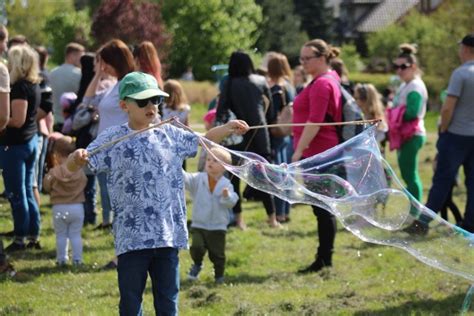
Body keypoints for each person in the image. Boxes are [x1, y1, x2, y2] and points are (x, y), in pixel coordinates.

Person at [66, 71, 248, 315]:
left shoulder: (169, 133)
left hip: (167, 234)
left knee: (167, 300)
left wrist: (226, 128)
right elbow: (81, 162)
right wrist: (75, 160)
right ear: (124, 106)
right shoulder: (112, 137)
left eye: (155, 100)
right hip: (132, 237)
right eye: (143, 102)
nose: (151, 106)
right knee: (130, 303)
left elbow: (203, 140)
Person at [411, 34, 474, 234]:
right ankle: (469, 224)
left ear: (465, 49)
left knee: (442, 180)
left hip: (456, 135)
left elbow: (448, 108)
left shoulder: (461, 73)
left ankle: (422, 223)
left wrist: (444, 129)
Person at [292, 39, 343, 273]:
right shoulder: (324, 80)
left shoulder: (323, 84)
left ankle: (324, 259)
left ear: (321, 59)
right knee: (321, 207)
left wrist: (298, 152)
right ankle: (324, 258)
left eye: (306, 58)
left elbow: (315, 121)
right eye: (300, 58)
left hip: (319, 153)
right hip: (320, 151)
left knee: (323, 209)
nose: (302, 63)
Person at [216, 51, 281, 229]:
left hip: (236, 136)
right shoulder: (261, 81)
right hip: (260, 135)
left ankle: (239, 220)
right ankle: (272, 218)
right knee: (265, 176)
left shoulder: (228, 82)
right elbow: (271, 111)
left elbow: (221, 111)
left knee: (234, 178)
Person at [83, 39, 134, 231]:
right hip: (109, 151)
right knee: (114, 201)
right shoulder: (116, 84)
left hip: (122, 152)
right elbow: (87, 100)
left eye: (105, 62)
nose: (103, 67)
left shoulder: (129, 84)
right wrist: (98, 74)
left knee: (123, 204)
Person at [0, 44, 42, 251]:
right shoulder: (33, 84)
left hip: (16, 145)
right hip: (29, 141)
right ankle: (33, 233)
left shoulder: (19, 88)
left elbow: (17, 120)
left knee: (17, 194)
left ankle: (20, 238)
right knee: (26, 190)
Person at [185, 147, 238, 284]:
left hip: (218, 226)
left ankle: (219, 276)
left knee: (218, 254)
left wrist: (227, 197)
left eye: (215, 161)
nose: (210, 162)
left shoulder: (226, 184)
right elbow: (186, 178)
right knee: (196, 247)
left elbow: (231, 202)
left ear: (224, 167)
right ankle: (197, 264)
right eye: (209, 159)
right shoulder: (198, 178)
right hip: (199, 223)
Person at [388, 44, 427, 205]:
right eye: (396, 66)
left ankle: (416, 214)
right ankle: (414, 212)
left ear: (413, 67)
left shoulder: (415, 86)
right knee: (406, 173)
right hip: (405, 135)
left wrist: (393, 114)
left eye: (403, 66)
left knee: (410, 175)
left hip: (413, 135)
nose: (399, 70)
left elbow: (412, 112)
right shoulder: (405, 84)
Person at [43, 136, 87, 265]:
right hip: (77, 206)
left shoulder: (54, 171)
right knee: (75, 235)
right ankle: (77, 260)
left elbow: (46, 185)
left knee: (61, 235)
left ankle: (61, 259)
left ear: (56, 154)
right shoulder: (79, 172)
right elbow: (84, 182)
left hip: (59, 207)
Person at [266, 53, 295, 223]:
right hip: (287, 134)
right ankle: (286, 210)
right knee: (287, 174)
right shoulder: (290, 87)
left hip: (275, 134)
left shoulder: (272, 89)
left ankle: (278, 213)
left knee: (277, 176)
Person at [49, 42, 84, 130]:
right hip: (71, 122)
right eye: (81, 57)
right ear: (72, 56)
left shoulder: (52, 72)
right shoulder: (79, 74)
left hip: (54, 119)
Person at [353, 83, 388, 153]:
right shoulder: (363, 115)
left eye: (357, 98)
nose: (354, 101)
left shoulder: (373, 120)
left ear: (365, 100)